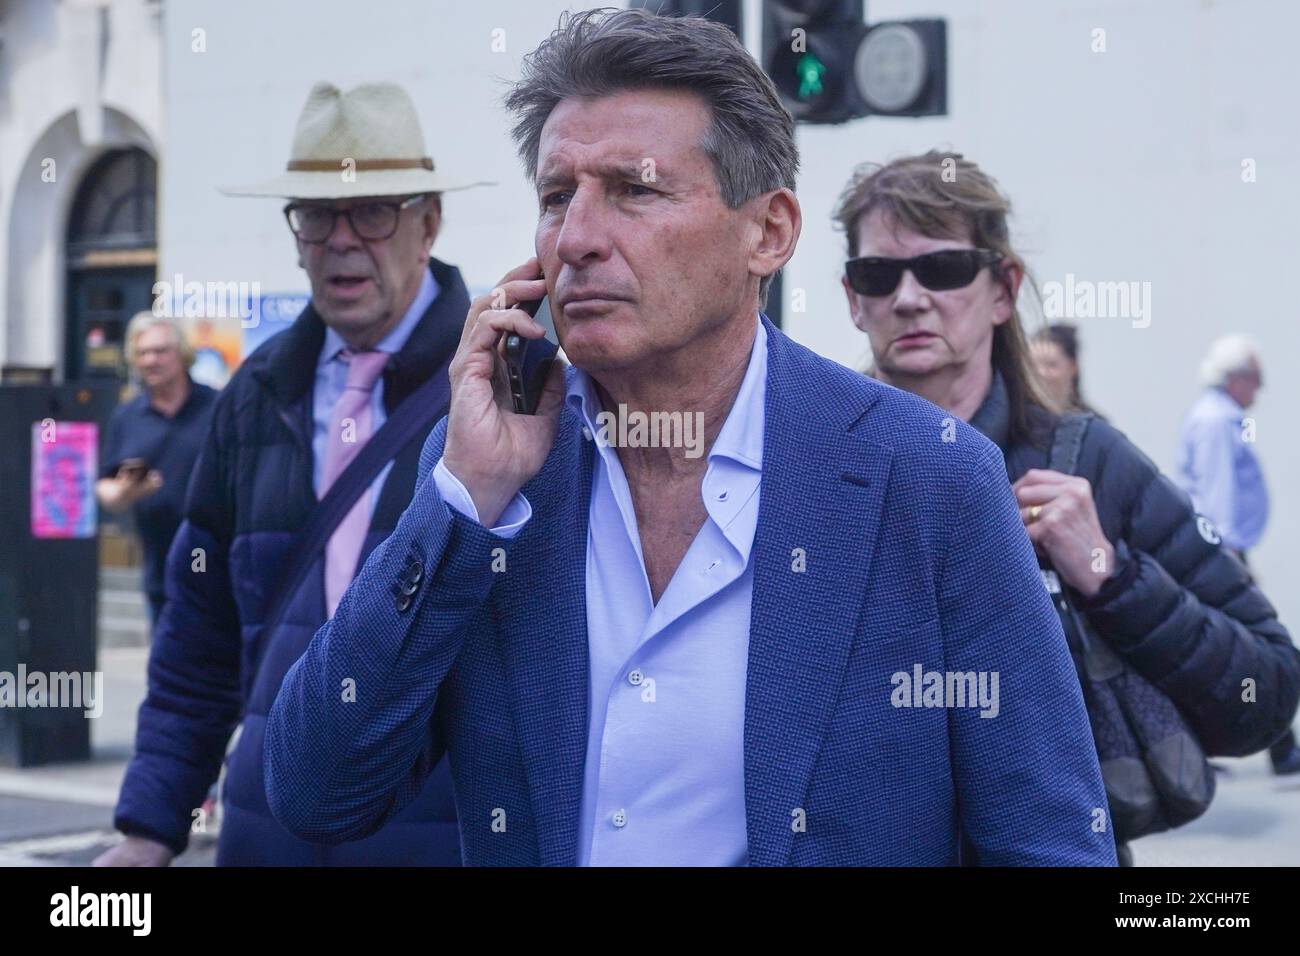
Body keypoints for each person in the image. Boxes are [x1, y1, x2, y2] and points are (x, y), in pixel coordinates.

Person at [265, 9, 1114, 867]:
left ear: (769, 232)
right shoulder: (493, 479)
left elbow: (1046, 841)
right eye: (558, 197)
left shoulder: (928, 479)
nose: (579, 240)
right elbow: (316, 792)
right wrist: (462, 503)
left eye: (636, 190)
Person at [834, 150, 1300, 858]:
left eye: (944, 268)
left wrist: (1111, 576)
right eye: (879, 274)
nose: (908, 297)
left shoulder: (1088, 463)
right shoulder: (816, 463)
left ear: (1002, 288)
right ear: (851, 297)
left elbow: (1264, 694)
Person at [94, 81, 489, 866]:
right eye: (316, 215)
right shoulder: (256, 393)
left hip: (436, 839)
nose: (341, 240)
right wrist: (148, 830)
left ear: (429, 222)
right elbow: (197, 635)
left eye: (373, 212)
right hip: (264, 835)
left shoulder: (502, 387)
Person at [1177, 336, 1298, 774]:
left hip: (1221, 550)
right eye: (1255, 379)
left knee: (1218, 646)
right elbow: (1218, 493)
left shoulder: (1222, 418)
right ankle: (1281, 747)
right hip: (1221, 550)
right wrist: (1229, 558)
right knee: (1253, 644)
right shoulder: (1216, 422)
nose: (1259, 390)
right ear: (1236, 377)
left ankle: (1275, 746)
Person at [96, 314, 218, 629]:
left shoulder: (217, 407)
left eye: (160, 351)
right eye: (142, 353)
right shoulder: (128, 416)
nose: (150, 360)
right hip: (159, 569)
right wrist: (125, 492)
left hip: (215, 566)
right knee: (165, 671)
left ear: (182, 354)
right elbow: (106, 490)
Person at [1032, 323, 1099, 415]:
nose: (1041, 372)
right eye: (1032, 365)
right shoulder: (1017, 420)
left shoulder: (1092, 425)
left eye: (1051, 365)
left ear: (1073, 366)